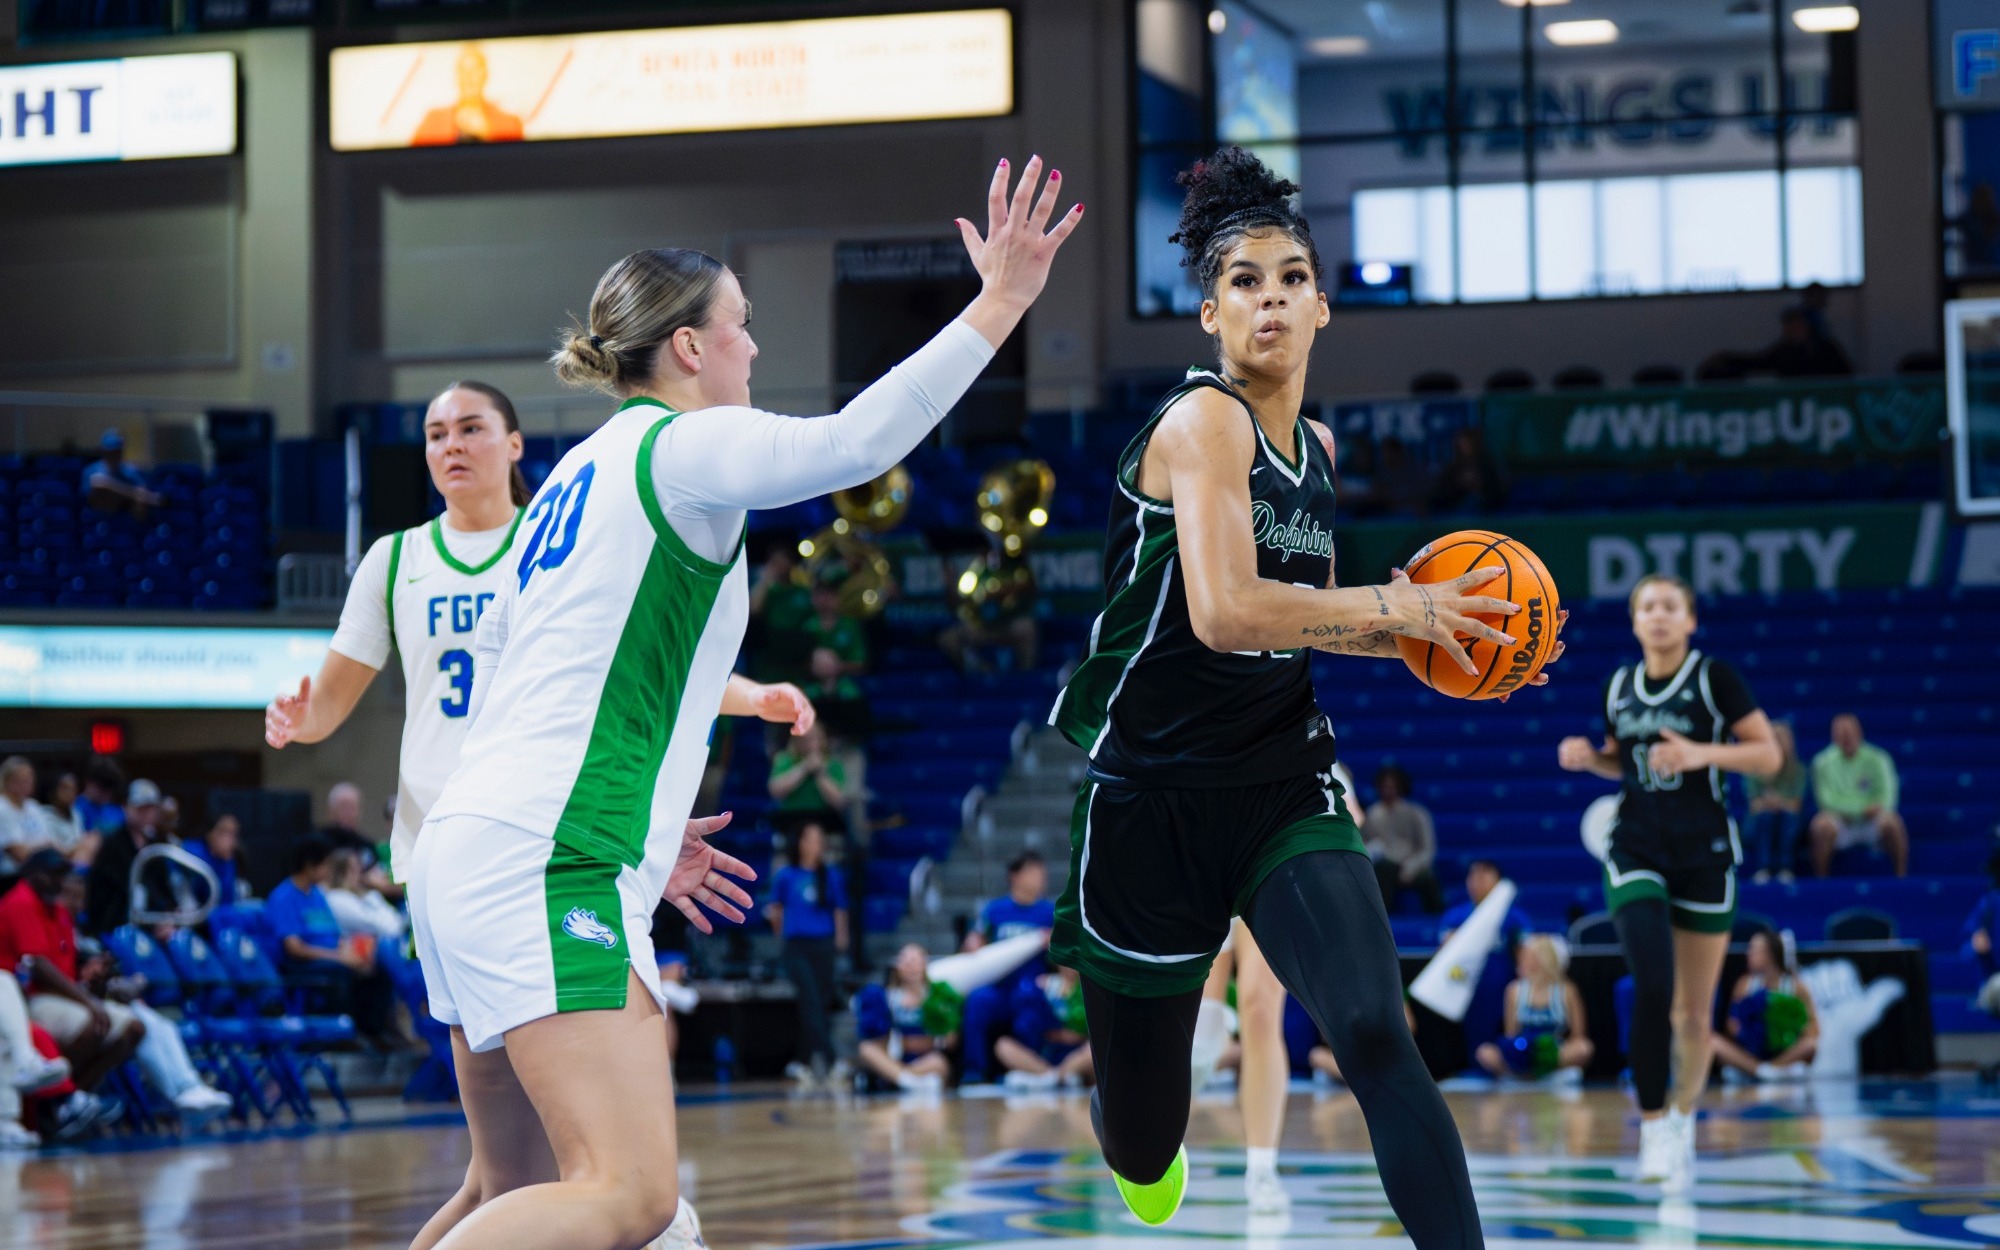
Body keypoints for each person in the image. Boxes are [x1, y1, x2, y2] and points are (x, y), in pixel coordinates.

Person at [408, 158, 1077, 1250]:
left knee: (517, 1189)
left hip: (479, 845)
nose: (753, 348)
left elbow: (563, 666)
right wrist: (998, 300)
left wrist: (692, 745)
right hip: (547, 851)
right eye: (741, 326)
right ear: (686, 347)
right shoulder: (684, 443)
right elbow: (855, 443)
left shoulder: (576, 476)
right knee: (631, 1197)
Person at [1045, 145, 1549, 1245]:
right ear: (1208, 314)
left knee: (1375, 1029)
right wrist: (1400, 607)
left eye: (1288, 278)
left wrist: (1453, 636)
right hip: (1148, 799)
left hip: (1279, 782)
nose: (1267, 298)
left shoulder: (1312, 448)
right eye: (1242, 281)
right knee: (1142, 1133)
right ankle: (1130, 1128)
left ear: (1321, 306)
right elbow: (1227, 612)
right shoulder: (1201, 424)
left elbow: (1302, 624)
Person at [265, 377, 817, 1250]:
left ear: (517, 444)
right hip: (481, 855)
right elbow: (331, 703)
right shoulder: (397, 559)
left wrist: (746, 698)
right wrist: (301, 720)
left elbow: (645, 659)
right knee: (616, 1187)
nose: (452, 445)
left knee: (509, 1178)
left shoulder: (556, 532)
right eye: (436, 433)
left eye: (472, 427)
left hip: (527, 840)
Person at [1558, 573, 1781, 1193]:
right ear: (1634, 622)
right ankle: (1653, 1124)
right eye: (1646, 607)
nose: (1657, 615)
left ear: (1690, 620)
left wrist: (1700, 755)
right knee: (1653, 986)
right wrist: (1590, 758)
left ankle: (1682, 1118)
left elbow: (1768, 756)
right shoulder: (1619, 686)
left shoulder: (1715, 679)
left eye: (1670, 606)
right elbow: (1620, 762)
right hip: (1634, 847)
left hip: (1704, 852)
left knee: (1694, 1014)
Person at [0, 850, 146, 1097]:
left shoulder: (57, 909)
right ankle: (60, 1101)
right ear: (32, 874)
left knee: (133, 1029)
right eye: (52, 874)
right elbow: (38, 965)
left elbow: (64, 967)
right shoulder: (21, 900)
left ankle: (77, 1097)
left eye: (62, 875)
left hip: (59, 996)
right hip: (28, 998)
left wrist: (93, 981)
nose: (58, 881)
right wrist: (88, 1001)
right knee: (92, 1024)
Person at [266, 836, 399, 1046]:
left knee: (378, 969)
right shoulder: (283, 897)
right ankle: (343, 1038)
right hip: (302, 964)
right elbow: (295, 949)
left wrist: (352, 955)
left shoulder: (318, 895)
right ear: (310, 866)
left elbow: (338, 936)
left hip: (332, 956)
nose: (328, 870)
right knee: (342, 972)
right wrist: (340, 958)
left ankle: (374, 1031)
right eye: (325, 864)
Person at [959, 851, 1056, 1084]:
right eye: (1033, 873)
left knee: (1030, 1002)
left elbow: (1062, 957)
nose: (1040, 879)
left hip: (1031, 984)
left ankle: (1023, 1069)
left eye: (1042, 874)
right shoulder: (995, 910)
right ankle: (975, 1071)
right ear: (1015, 876)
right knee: (977, 1001)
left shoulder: (1049, 912)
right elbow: (975, 941)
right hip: (1000, 986)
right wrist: (972, 942)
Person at [768, 821, 850, 1086]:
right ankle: (833, 1060)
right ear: (801, 842)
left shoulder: (831, 875)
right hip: (797, 947)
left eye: (820, 838)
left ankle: (801, 1062)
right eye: (811, 838)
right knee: (811, 1000)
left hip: (823, 945)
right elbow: (775, 909)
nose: (817, 844)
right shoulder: (786, 875)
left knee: (817, 1004)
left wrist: (840, 939)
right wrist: (783, 933)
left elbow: (840, 910)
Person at [1473, 934, 1592, 1081]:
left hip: (1553, 1052)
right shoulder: (1514, 990)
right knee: (1485, 1052)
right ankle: (1523, 1074)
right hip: (1522, 1050)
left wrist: (1554, 1053)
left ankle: (1540, 1074)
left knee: (1583, 1048)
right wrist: (1518, 1053)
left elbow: (1578, 1036)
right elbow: (1511, 1034)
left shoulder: (1566, 990)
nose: (1523, 960)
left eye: (1530, 956)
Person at [1711, 927, 1818, 1082]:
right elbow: (1731, 1025)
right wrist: (1748, 1031)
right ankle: (1760, 1070)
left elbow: (1814, 1030)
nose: (1748, 954)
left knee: (1810, 1045)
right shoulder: (1744, 984)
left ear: (1770, 954)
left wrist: (1785, 1032)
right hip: (1750, 1054)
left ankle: (1773, 1068)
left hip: (1784, 1054)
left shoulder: (1796, 986)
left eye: (1754, 950)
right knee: (1713, 1042)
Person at [1808, 714, 1908, 878]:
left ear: (1859, 732)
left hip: (1873, 820)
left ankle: (1901, 878)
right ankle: (1821, 881)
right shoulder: (1822, 762)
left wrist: (1871, 810)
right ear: (1834, 736)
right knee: (1820, 826)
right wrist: (1860, 810)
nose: (1846, 738)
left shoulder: (1878, 758)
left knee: (1893, 823)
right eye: (1841, 734)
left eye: (1849, 733)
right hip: (1840, 821)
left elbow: (1887, 796)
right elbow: (1826, 800)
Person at [853, 942, 952, 1093]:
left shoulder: (937, 996)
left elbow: (950, 1039)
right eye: (905, 961)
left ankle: (898, 1078)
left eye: (915, 961)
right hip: (894, 1056)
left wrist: (927, 1042)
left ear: (924, 964)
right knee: (866, 1049)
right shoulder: (887, 997)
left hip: (924, 1059)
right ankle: (907, 1080)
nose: (910, 966)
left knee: (939, 1063)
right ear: (897, 967)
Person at [82, 778, 166, 937]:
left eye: (150, 809)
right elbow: (118, 892)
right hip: (117, 924)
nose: (146, 814)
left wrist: (168, 914)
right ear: (127, 807)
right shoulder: (113, 844)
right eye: (141, 808)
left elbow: (163, 888)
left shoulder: (156, 845)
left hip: (149, 921)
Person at [997, 964, 1093, 1089]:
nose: (1069, 967)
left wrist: (1073, 1036)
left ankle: (1053, 1077)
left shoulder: (1089, 988)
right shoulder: (1043, 983)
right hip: (1045, 1051)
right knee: (1003, 1045)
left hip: (1076, 1052)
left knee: (1093, 1050)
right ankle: (1053, 1076)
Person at [1366, 764, 1443, 915]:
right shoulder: (1372, 814)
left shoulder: (1416, 813)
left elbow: (1427, 848)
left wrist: (1411, 867)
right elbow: (1365, 843)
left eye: (1392, 786)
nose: (1388, 791)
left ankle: (1438, 920)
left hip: (1413, 863)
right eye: (1385, 786)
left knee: (1430, 880)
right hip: (1384, 867)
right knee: (1382, 872)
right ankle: (1383, 919)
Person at [1746, 720, 1809, 884]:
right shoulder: (1755, 768)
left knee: (1787, 817)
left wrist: (1775, 802)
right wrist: (1777, 803)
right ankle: (1764, 868)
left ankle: (1785, 868)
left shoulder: (1798, 770)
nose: (1779, 744)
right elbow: (1754, 805)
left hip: (1787, 819)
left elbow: (1796, 805)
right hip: (1760, 820)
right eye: (1775, 739)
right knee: (1766, 816)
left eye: (1783, 739)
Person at [767, 722, 852, 824]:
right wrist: (804, 767)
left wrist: (819, 773)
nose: (809, 743)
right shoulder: (785, 760)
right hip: (791, 819)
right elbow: (775, 791)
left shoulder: (833, 763)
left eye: (814, 738)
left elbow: (839, 802)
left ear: (822, 739)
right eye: (804, 738)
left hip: (825, 820)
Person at [1438, 858, 1533, 947]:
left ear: (1498, 882)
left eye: (1482, 878)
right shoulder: (1454, 917)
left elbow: (1525, 951)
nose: (1476, 883)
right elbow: (1447, 954)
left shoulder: (1515, 918)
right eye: (1472, 877)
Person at [325, 849, 407, 942]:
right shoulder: (337, 898)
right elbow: (383, 927)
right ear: (341, 873)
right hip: (371, 947)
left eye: (358, 868)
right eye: (353, 869)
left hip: (391, 937)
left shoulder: (364, 894)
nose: (359, 873)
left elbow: (394, 921)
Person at [80, 428, 162, 515]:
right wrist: (132, 494)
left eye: (117, 452)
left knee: (140, 502)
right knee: (100, 483)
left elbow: (141, 493)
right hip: (97, 518)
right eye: (110, 452)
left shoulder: (130, 471)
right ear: (103, 452)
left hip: (124, 517)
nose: (113, 456)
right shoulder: (91, 470)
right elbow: (93, 491)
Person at [0, 757, 57, 866]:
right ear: (8, 781)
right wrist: (45, 845)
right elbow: (20, 854)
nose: (28, 782)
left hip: (41, 868)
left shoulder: (33, 806)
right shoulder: (2, 808)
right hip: (11, 874)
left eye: (29, 778)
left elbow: (49, 840)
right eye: (22, 779)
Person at [184, 813, 245, 905]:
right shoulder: (190, 853)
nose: (229, 840)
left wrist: (226, 860)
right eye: (224, 832)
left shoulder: (228, 859)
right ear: (210, 833)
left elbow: (226, 903)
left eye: (234, 834)